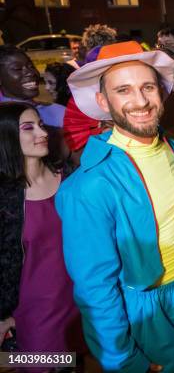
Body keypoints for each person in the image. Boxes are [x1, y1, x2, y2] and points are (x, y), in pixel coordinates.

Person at [56, 41, 174, 372]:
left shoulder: (173, 148)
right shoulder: (88, 186)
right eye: (124, 90)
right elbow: (95, 289)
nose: (141, 101)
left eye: (148, 86)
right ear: (103, 101)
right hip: (145, 311)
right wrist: (124, 360)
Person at [0, 103, 83, 356]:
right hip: (34, 311)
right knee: (43, 365)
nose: (42, 132)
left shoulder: (70, 178)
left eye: (41, 124)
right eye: (28, 128)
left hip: (84, 299)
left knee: (79, 361)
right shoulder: (5, 197)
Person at [0, 46, 66, 129]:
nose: (31, 73)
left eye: (31, 66)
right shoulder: (3, 120)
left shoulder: (58, 111)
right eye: (18, 69)